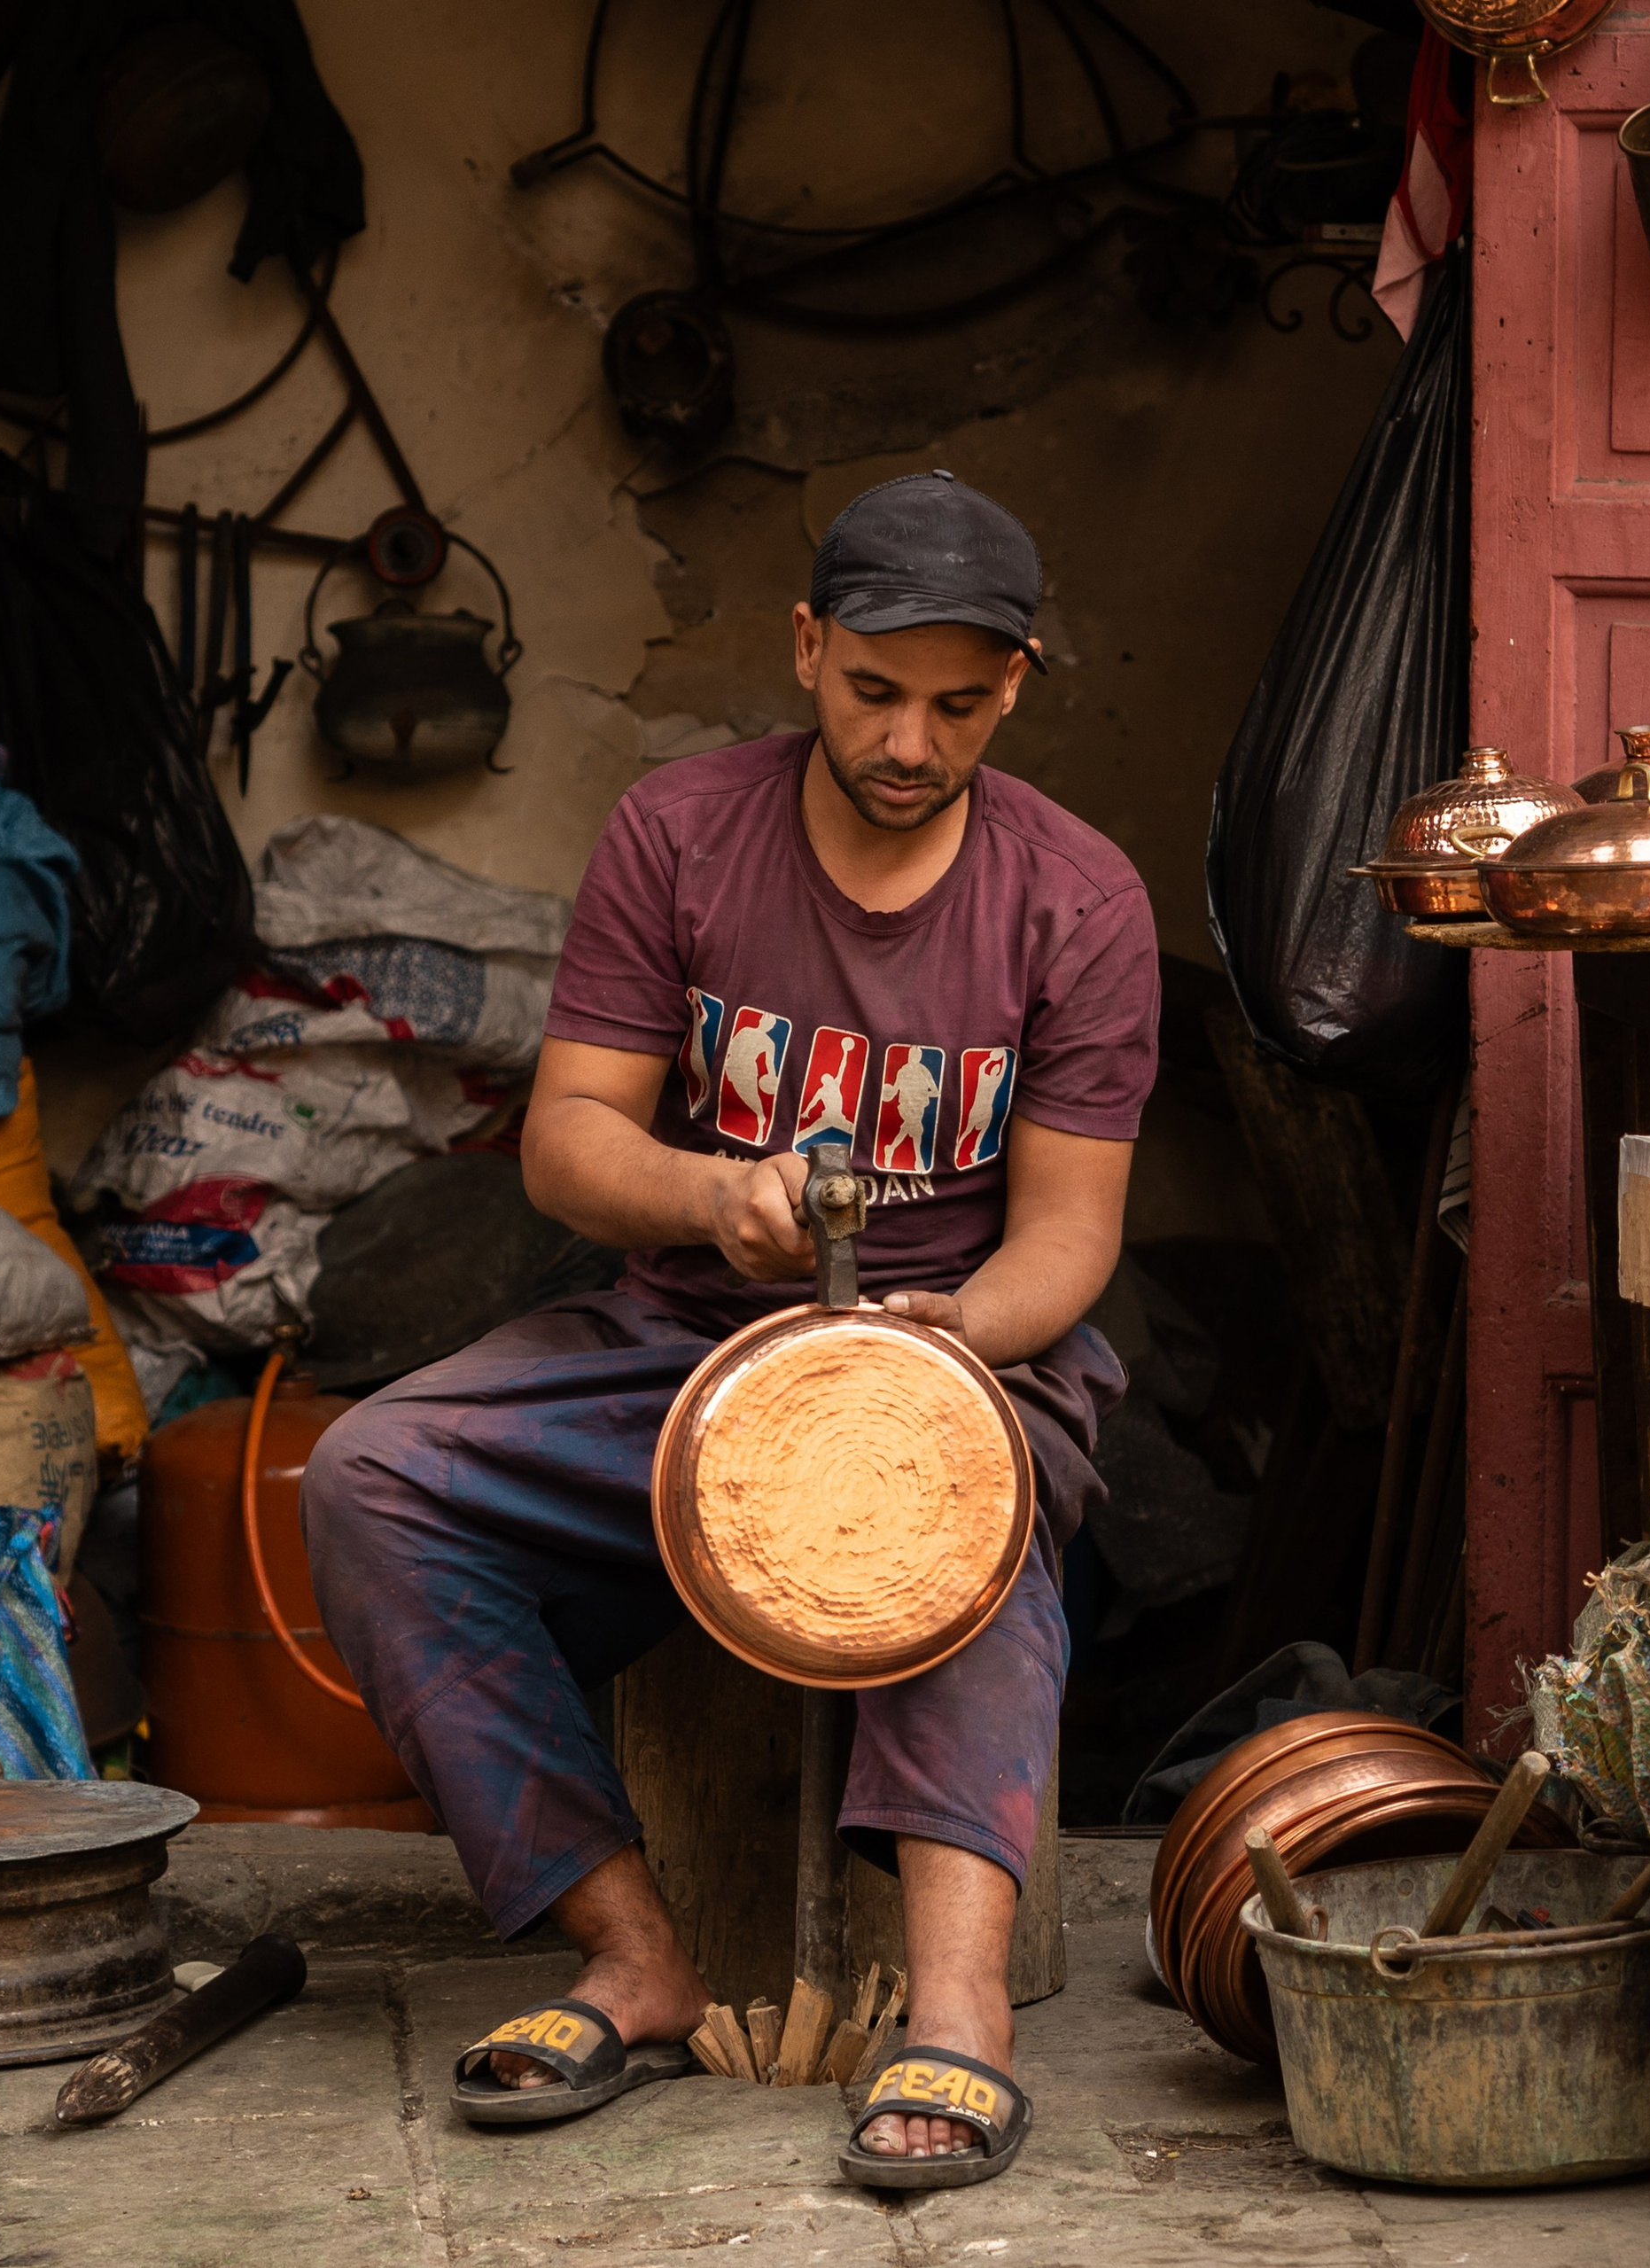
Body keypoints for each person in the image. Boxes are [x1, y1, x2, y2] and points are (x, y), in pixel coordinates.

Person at [302, 471, 1158, 2189]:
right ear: (804, 646)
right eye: (870, 689)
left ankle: (959, 2009)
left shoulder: (1079, 902)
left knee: (936, 1506)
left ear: (1016, 682)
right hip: (684, 1339)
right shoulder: (679, 833)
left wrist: (933, 1354)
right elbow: (565, 1145)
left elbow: (1066, 1235)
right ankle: (631, 1948)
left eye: (959, 701)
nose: (910, 738)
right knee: (368, 1475)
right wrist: (710, 1198)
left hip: (966, 1342)